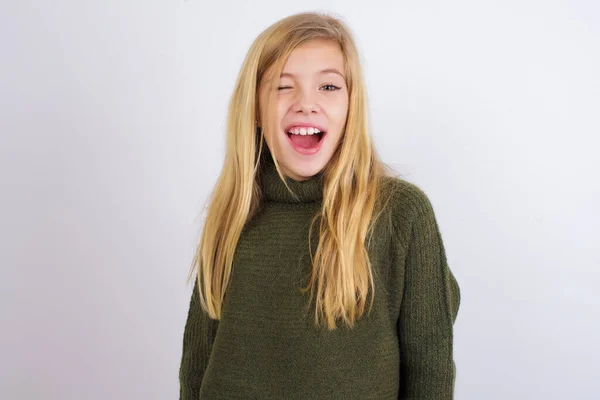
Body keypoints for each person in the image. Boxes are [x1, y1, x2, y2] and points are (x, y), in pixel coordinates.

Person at [179, 11, 461, 400]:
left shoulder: (401, 216)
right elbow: (195, 367)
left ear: (351, 105)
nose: (305, 104)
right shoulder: (232, 213)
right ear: (256, 109)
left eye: (328, 86)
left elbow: (430, 370)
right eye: (282, 86)